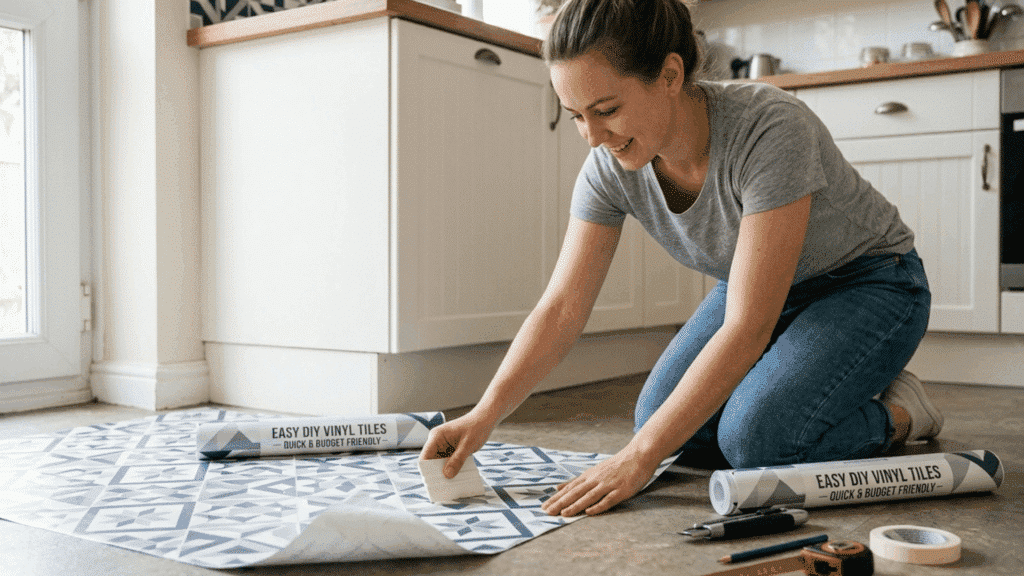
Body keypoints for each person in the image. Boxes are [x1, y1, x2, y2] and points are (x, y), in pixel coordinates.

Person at [419, 0, 942, 518]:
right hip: (759, 290)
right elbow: (561, 309)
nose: (593, 137)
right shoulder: (609, 168)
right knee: (662, 424)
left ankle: (901, 413)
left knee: (758, 444)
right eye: (576, 115)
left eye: (606, 110)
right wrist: (484, 415)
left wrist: (637, 460)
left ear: (670, 73)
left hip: (871, 282)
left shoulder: (769, 127)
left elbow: (747, 326)